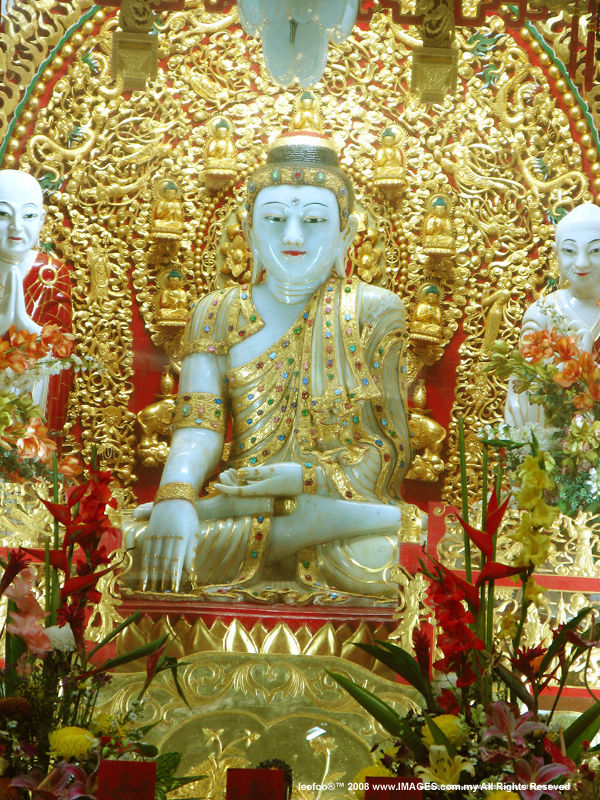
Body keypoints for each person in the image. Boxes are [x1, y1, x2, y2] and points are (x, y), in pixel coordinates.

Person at [128, 130, 414, 599]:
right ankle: (279, 532)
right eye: (275, 219)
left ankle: (300, 529)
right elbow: (199, 425)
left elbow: (389, 453)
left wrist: (301, 479)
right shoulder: (216, 312)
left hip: (341, 519)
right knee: (137, 546)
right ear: (248, 229)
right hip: (242, 506)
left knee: (385, 558)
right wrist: (176, 495)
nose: (293, 236)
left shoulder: (373, 311)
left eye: (315, 220)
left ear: (347, 232)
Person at [505, 202, 600, 426]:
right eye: (569, 250)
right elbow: (523, 392)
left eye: (595, 250)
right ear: (557, 255)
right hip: (554, 442)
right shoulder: (542, 314)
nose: (581, 262)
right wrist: (565, 371)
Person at [0, 169, 72, 436]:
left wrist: (28, 326)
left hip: (30, 397)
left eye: (28, 215)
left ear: (42, 219)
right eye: (3, 214)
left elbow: (63, 352)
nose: (17, 226)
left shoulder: (51, 273)